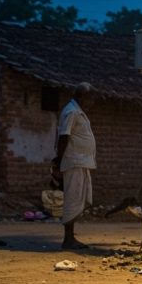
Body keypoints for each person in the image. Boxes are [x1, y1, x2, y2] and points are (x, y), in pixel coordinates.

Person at [52, 82, 97, 250]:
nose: (92, 102)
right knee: (72, 200)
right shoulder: (71, 112)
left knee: (78, 199)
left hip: (81, 162)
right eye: (91, 98)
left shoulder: (78, 112)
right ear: (83, 97)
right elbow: (64, 137)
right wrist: (58, 161)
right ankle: (68, 239)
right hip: (74, 162)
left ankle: (71, 237)